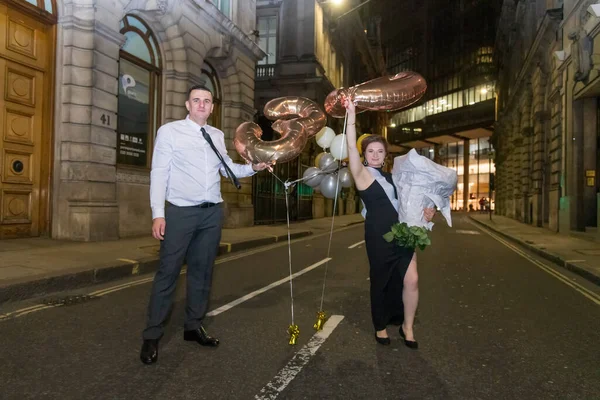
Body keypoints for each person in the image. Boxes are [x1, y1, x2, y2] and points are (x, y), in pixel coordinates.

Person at [140, 85, 268, 365]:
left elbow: (227, 168)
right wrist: (158, 213)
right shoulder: (170, 132)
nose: (201, 105)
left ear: (212, 107)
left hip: (211, 214)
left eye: (206, 101)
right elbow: (159, 172)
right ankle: (152, 336)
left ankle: (193, 326)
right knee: (168, 274)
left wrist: (253, 169)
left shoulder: (216, 135)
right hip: (180, 213)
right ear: (188, 105)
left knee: (202, 273)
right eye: (196, 100)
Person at [343, 98, 435, 348]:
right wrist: (351, 114)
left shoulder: (393, 178)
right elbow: (351, 147)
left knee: (412, 279)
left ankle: (408, 326)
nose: (374, 155)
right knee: (381, 280)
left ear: (385, 155)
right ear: (365, 154)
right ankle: (380, 326)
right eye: (370, 151)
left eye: (379, 151)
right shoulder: (362, 175)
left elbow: (412, 203)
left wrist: (428, 211)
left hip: (403, 233)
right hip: (378, 236)